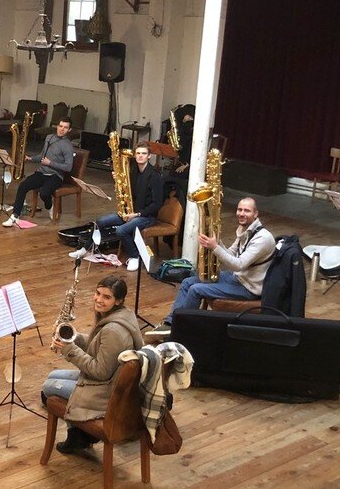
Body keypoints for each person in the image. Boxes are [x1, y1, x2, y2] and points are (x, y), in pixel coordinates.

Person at [42, 276, 144, 454]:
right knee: (52, 376)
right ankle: (80, 432)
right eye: (98, 293)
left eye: (107, 297)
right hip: (109, 381)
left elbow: (100, 371)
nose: (99, 299)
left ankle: (79, 435)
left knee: (47, 388)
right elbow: (100, 347)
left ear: (118, 300)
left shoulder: (113, 331)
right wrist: (73, 338)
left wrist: (69, 349)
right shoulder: (123, 315)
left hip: (106, 390)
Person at [148, 197, 276, 336]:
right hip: (238, 278)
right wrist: (217, 241)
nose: (241, 213)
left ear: (256, 214)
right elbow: (231, 253)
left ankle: (182, 330)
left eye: (247, 211)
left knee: (196, 290)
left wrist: (214, 247)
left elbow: (238, 265)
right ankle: (170, 323)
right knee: (187, 282)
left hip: (249, 288)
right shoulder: (245, 229)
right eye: (239, 210)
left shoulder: (262, 238)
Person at [71, 144, 163, 271]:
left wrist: (137, 214)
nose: (140, 156)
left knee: (121, 230)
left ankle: (135, 256)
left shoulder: (155, 176)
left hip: (146, 216)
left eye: (143, 153)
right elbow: (127, 191)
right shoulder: (133, 171)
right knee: (100, 222)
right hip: (130, 212)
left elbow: (157, 204)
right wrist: (118, 181)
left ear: (149, 156)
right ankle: (85, 249)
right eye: (138, 153)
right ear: (134, 155)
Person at [2, 118, 74, 227]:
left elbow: (68, 167)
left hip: (55, 176)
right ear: (57, 126)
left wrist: (50, 163)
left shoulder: (67, 146)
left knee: (44, 193)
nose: (62, 129)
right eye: (60, 126)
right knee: (23, 186)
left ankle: (49, 206)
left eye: (65, 127)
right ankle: (15, 216)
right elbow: (42, 156)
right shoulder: (49, 137)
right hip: (42, 172)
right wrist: (31, 158)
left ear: (69, 130)